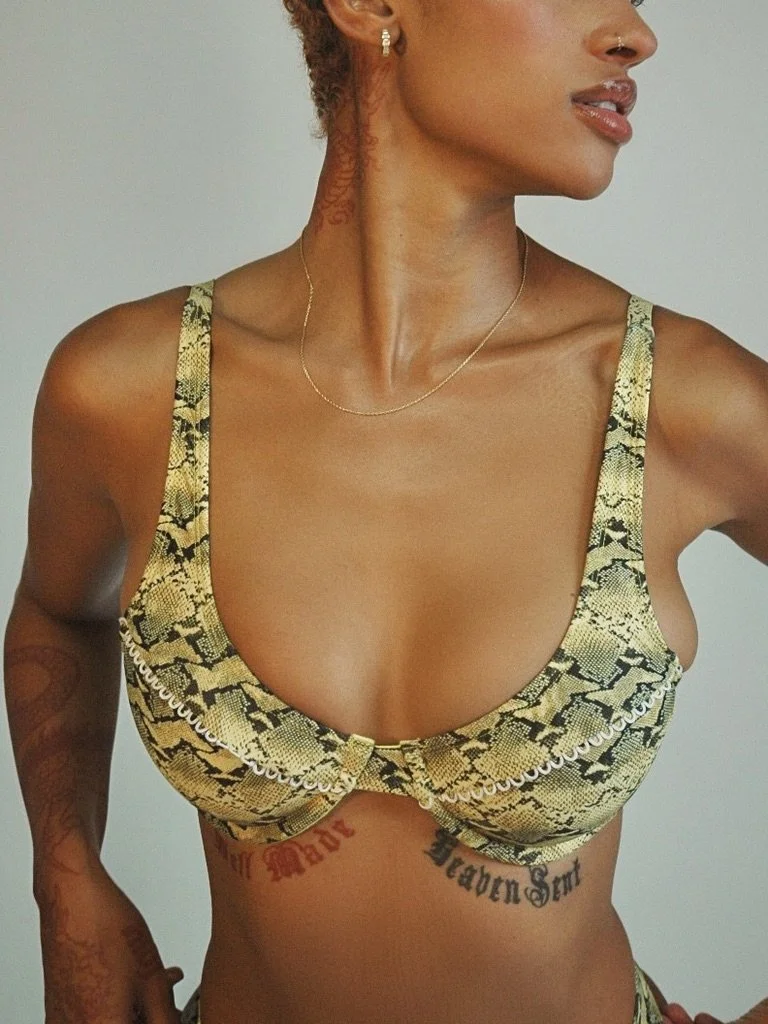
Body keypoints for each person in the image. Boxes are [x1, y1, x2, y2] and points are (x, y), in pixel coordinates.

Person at [5, 1, 768, 1022]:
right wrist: (65, 874)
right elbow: (59, 610)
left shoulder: (684, 401)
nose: (634, 32)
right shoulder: (126, 389)